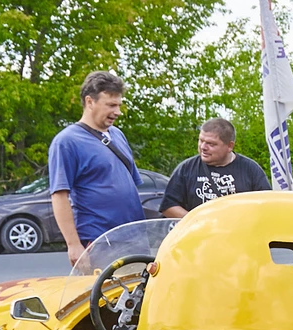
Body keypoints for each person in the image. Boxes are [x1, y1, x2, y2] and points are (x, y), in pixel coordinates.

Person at [49, 71, 145, 265]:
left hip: (134, 237)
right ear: (90, 102)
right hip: (100, 240)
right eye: (111, 105)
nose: (118, 112)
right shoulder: (67, 141)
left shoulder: (118, 135)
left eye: (119, 105)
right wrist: (74, 245)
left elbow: (129, 186)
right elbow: (59, 195)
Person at [160, 118, 269, 217]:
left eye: (211, 144)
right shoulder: (186, 168)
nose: (203, 147)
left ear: (230, 146)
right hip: (198, 231)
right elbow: (168, 206)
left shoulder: (250, 170)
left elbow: (267, 206)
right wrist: (198, 222)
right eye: (201, 140)